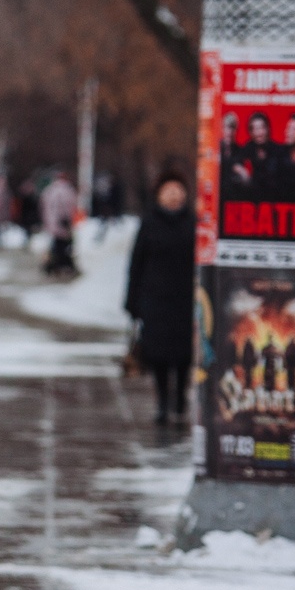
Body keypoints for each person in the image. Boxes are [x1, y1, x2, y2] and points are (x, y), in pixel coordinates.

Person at [123, 170, 195, 429]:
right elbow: (136, 264)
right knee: (158, 355)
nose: (174, 195)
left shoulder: (194, 223)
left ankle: (180, 400)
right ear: (160, 195)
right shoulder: (150, 223)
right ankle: (163, 402)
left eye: (178, 190)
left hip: (186, 299)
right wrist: (132, 301)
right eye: (169, 190)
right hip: (156, 299)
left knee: (184, 354)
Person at [40, 170, 79, 277]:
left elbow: (44, 206)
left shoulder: (49, 190)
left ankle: (52, 265)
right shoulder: (67, 190)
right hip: (63, 222)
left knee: (56, 245)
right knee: (64, 246)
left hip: (52, 223)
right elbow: (70, 206)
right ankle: (62, 265)